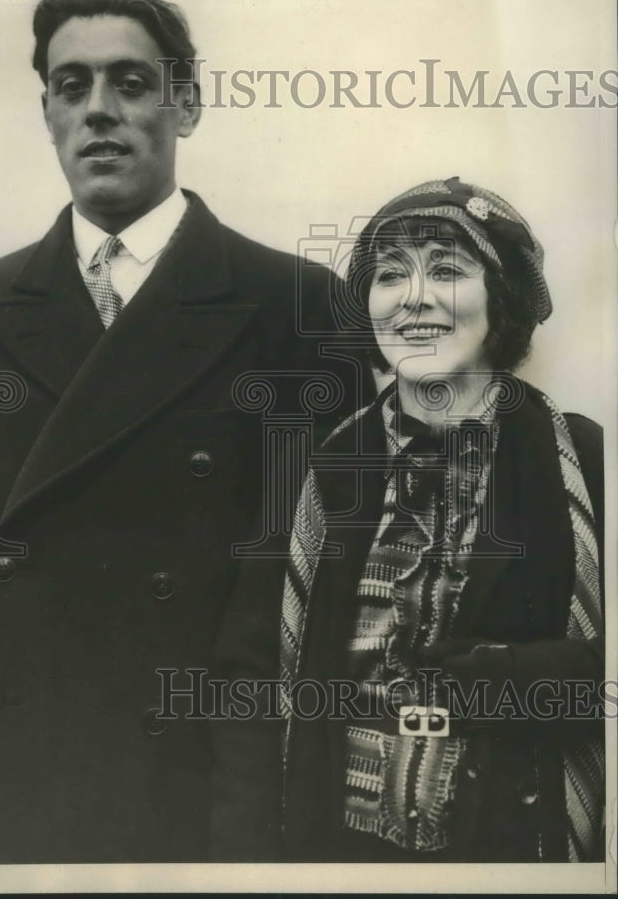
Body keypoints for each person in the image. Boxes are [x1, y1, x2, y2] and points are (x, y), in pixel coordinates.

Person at [0, 0, 364, 864]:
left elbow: (313, 591)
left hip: (192, 775)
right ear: (46, 114)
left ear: (185, 105)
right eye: (71, 87)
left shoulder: (296, 305)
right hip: (2, 767)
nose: (99, 110)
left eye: (131, 82)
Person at [211, 176, 604, 863]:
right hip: (337, 858)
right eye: (391, 275)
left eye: (447, 269)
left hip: (514, 858)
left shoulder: (585, 459)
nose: (415, 298)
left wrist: (488, 681)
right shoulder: (319, 471)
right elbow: (247, 682)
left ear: (500, 299)